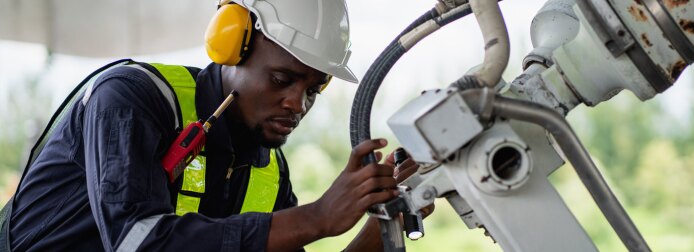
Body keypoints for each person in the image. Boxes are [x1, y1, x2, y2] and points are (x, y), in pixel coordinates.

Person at [1, 0, 423, 251]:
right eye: (281, 79)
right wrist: (318, 217)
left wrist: (387, 220)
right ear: (231, 45)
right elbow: (137, 242)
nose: (297, 103)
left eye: (314, 89)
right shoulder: (132, 98)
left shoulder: (268, 170)